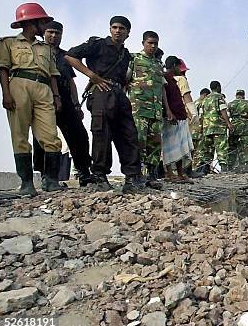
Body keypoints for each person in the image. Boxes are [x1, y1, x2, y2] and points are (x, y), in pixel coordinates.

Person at [65, 15, 145, 193]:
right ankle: (100, 176)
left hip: (119, 94)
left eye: (122, 28)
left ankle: (132, 178)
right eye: (115, 27)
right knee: (102, 134)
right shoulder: (97, 44)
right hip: (101, 92)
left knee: (129, 134)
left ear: (128, 33)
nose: (118, 31)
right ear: (110, 29)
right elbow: (70, 56)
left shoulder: (125, 55)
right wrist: (92, 76)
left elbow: (124, 78)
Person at [0, 3, 64, 196]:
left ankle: (51, 181)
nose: (45, 25)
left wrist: (57, 96)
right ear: (31, 22)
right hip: (19, 84)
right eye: (42, 21)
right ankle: (27, 184)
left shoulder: (46, 48)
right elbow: (3, 69)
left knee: (50, 136)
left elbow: (52, 74)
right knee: (20, 135)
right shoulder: (8, 43)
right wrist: (6, 93)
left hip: (44, 88)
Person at [31, 20, 93, 187]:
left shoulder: (66, 56)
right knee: (42, 139)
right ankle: (46, 175)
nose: (53, 36)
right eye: (50, 32)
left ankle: (84, 172)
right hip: (42, 98)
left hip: (65, 98)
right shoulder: (35, 51)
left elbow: (71, 82)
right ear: (44, 33)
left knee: (79, 135)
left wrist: (76, 104)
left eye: (57, 33)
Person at [128, 31, 167, 189]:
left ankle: (152, 176)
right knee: (139, 141)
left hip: (156, 110)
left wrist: (167, 109)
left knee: (155, 144)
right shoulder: (135, 59)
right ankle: (136, 175)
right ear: (143, 43)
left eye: (155, 44)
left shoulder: (158, 64)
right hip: (139, 109)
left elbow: (162, 89)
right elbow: (125, 80)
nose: (153, 46)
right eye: (150, 43)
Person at [165, 56, 201, 178]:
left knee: (168, 145)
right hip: (180, 115)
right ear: (176, 66)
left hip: (167, 115)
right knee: (182, 144)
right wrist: (194, 113)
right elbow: (187, 97)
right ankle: (184, 172)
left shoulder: (164, 78)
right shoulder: (181, 79)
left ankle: (169, 172)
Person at [200, 80, 233, 174]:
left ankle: (204, 170)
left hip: (207, 128)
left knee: (207, 151)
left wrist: (202, 128)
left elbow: (201, 115)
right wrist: (228, 123)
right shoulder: (219, 97)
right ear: (218, 87)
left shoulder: (205, 99)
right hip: (218, 127)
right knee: (222, 148)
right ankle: (224, 170)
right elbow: (223, 111)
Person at [228, 89, 248, 169]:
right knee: (247, 146)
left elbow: (227, 116)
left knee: (232, 147)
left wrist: (228, 125)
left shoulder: (230, 104)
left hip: (234, 126)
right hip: (245, 126)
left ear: (236, 95)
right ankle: (247, 165)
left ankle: (230, 166)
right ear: (243, 95)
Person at [191, 88, 210, 174]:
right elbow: (201, 116)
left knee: (192, 151)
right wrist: (203, 128)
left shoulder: (194, 103)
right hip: (199, 130)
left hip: (191, 131)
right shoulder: (202, 104)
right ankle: (196, 170)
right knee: (199, 152)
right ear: (205, 95)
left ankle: (190, 169)